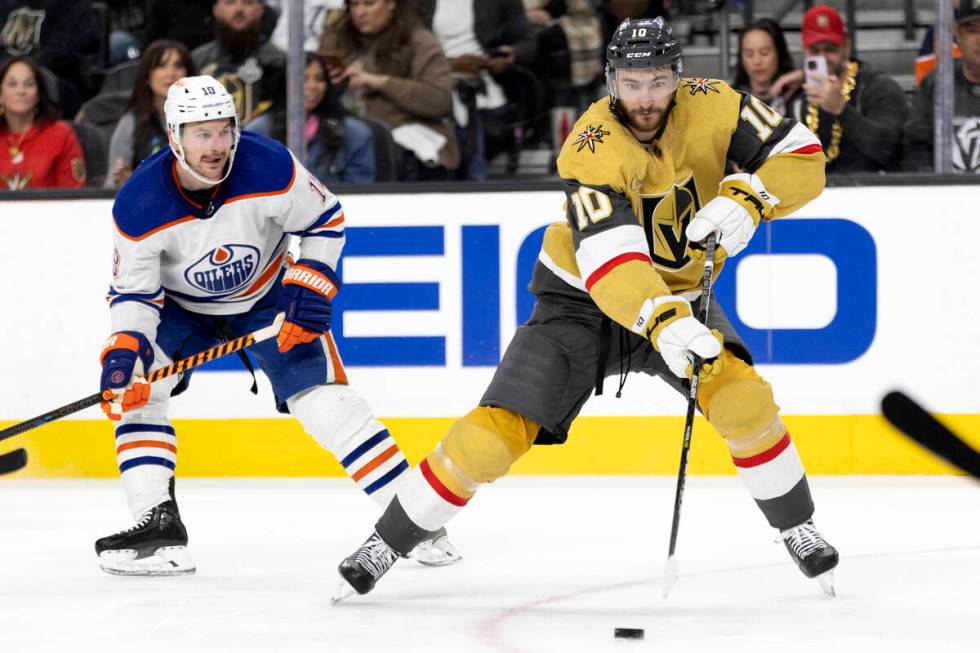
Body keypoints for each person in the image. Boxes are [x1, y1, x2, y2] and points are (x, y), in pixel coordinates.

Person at [332, 16, 840, 602]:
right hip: (580, 300)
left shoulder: (717, 103)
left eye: (656, 81)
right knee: (491, 439)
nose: (644, 99)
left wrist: (753, 198)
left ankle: (797, 526)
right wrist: (668, 323)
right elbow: (610, 262)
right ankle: (386, 541)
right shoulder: (590, 145)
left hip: (675, 295)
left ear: (678, 76)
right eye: (630, 82)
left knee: (744, 398)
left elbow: (803, 155)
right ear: (609, 81)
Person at [95, 74, 459, 576]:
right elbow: (134, 294)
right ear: (174, 136)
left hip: (266, 300)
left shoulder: (269, 166)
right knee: (137, 395)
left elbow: (325, 219)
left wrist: (310, 287)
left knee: (328, 404)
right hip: (180, 311)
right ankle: (157, 530)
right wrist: (125, 354)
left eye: (224, 130)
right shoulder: (138, 204)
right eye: (202, 134)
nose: (217, 146)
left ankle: (413, 523)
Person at [319, 0, 459, 180]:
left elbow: (439, 100)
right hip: (347, 133)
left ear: (391, 4)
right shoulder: (341, 40)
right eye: (354, 5)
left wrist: (381, 83)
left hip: (406, 136)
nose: (360, 13)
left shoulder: (420, 42)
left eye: (369, 4)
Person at [782, 4, 908, 174]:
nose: (823, 57)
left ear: (846, 47)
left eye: (830, 49)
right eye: (815, 50)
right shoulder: (797, 97)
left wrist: (841, 109)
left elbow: (890, 150)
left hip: (874, 191)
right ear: (805, 52)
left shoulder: (877, 86)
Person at [247, 51, 375, 184]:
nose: (313, 86)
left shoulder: (355, 134)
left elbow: (359, 195)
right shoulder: (257, 133)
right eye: (303, 79)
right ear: (286, 83)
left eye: (319, 79)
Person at [105, 40, 197, 188]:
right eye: (161, 65)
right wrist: (126, 183)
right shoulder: (131, 122)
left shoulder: (205, 120)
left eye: (178, 66)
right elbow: (112, 183)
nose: (170, 73)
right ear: (147, 76)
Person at [904, 1, 980, 173]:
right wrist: (935, 189)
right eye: (972, 30)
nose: (979, 39)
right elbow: (915, 147)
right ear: (957, 35)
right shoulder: (936, 83)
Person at [193, 0, 287, 126]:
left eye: (248, 2)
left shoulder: (280, 62)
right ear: (215, 9)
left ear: (261, 10)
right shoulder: (197, 60)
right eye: (230, 2)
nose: (239, 9)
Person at [0, 55, 85, 190]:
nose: (21, 91)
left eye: (29, 84)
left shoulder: (61, 135)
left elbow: (73, 197)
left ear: (38, 95)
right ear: (1, 95)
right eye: (12, 84)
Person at [732, 18, 797, 115]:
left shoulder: (797, 96)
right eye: (749, 54)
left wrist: (803, 75)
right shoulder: (731, 98)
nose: (757, 61)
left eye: (764, 53)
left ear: (779, 53)